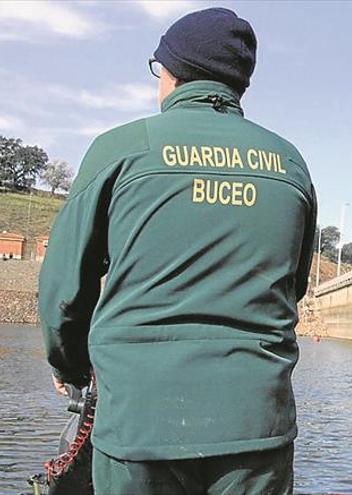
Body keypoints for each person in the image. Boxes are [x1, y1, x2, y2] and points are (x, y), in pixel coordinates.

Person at [38, 8, 316, 494]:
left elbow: (63, 290)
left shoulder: (120, 149)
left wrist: (70, 365)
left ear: (172, 72)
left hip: (140, 427)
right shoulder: (289, 163)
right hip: (257, 423)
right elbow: (294, 288)